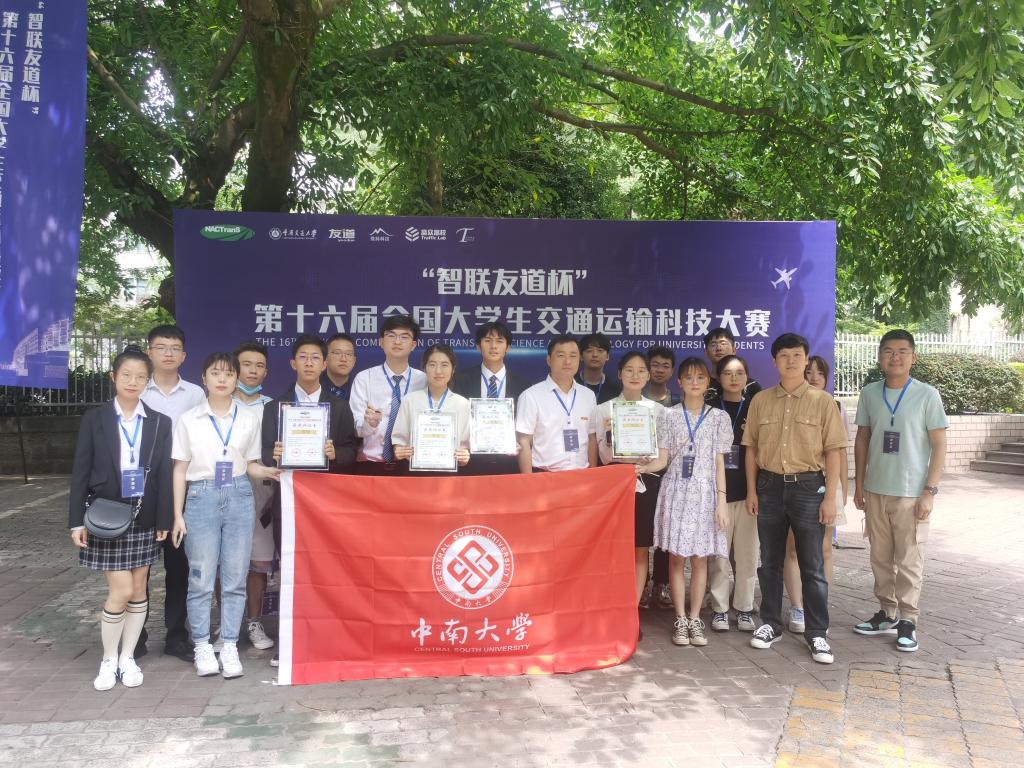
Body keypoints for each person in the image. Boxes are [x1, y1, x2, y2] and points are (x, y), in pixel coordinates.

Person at [171, 352, 281, 679]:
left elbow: (250, 465)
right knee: (201, 578)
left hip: (239, 493)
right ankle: (202, 645)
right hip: (201, 495)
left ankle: (230, 644)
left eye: (228, 374)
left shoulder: (248, 418)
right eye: (215, 373)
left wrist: (271, 472)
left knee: (234, 577)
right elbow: (180, 469)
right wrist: (177, 514)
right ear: (203, 378)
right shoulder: (189, 419)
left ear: (236, 380)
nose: (222, 379)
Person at [69, 346, 173, 691]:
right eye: (126, 375)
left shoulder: (160, 422)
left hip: (144, 514)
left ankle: (128, 657)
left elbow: (162, 473)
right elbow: (80, 470)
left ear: (148, 381)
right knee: (122, 590)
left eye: (141, 376)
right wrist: (76, 520)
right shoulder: (95, 418)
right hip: (106, 515)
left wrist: (164, 518)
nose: (133, 381)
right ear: (113, 377)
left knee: (140, 589)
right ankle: (108, 659)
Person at [742, 333, 847, 665]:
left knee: (812, 564)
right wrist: (752, 490)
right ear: (774, 361)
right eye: (784, 356)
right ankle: (771, 624)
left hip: (808, 488)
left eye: (797, 355)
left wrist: (830, 497)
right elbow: (751, 449)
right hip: (769, 486)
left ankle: (817, 633)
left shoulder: (823, 402)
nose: (791, 361)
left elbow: (834, 452)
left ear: (806, 360)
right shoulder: (761, 401)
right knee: (769, 561)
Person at [853, 329, 947, 652]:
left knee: (909, 558)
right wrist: (859, 485)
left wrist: (929, 491)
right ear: (880, 357)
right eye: (889, 351)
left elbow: (939, 444)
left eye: (902, 351)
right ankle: (887, 612)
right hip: (876, 489)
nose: (895, 357)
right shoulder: (869, 393)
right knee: (880, 557)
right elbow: (862, 438)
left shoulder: (927, 395)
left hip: (911, 492)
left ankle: (908, 619)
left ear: (913, 357)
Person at [642, 357, 732, 647]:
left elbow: (719, 463)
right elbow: (663, 459)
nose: (695, 382)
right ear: (679, 382)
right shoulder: (668, 416)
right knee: (677, 558)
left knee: (700, 558)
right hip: (676, 492)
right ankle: (680, 618)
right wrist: (639, 468)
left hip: (706, 494)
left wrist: (722, 502)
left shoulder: (718, 418)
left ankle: (695, 618)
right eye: (689, 377)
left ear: (708, 382)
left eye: (700, 377)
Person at [140, 324, 204, 662]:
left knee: (179, 566)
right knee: (139, 565)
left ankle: (177, 635)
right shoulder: (137, 389)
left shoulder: (196, 394)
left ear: (184, 355)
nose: (168, 353)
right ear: (149, 352)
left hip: (182, 487)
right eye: (161, 347)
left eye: (174, 347)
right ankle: (135, 635)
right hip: (143, 489)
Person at [587, 352, 663, 629]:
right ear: (619, 374)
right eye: (629, 370)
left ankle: (631, 611)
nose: (635, 375)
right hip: (611, 481)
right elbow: (594, 452)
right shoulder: (603, 410)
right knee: (612, 548)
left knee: (640, 548)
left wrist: (644, 466)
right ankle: (611, 607)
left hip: (645, 479)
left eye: (641, 370)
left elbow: (663, 454)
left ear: (648, 376)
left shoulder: (659, 411)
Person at [782, 355, 849, 633]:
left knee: (824, 550)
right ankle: (798, 607)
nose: (814, 377)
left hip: (828, 487)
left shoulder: (835, 406)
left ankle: (819, 606)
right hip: (797, 486)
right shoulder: (788, 403)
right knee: (793, 549)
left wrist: (841, 491)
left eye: (820, 373)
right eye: (809, 372)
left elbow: (840, 453)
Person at [707, 355, 759, 633]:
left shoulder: (755, 407)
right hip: (717, 495)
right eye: (727, 373)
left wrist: (754, 492)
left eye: (740, 372)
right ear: (718, 377)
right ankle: (719, 608)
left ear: (747, 376)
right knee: (719, 556)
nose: (734, 378)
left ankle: (745, 608)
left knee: (748, 555)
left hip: (748, 493)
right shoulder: (710, 409)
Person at [232, 341, 276, 651]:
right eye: (246, 364)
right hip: (228, 488)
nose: (253, 370)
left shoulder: (273, 407)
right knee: (226, 561)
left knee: (258, 562)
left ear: (266, 372)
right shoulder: (220, 403)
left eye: (259, 366)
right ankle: (227, 624)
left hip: (263, 491)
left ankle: (254, 621)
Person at [348, 315, 427, 474]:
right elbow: (355, 430)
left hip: (411, 466)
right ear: (381, 342)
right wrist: (369, 424)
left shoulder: (424, 380)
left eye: (404, 337)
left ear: (413, 345)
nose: (397, 342)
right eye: (391, 335)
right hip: (370, 466)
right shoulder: (365, 378)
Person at [451, 321, 531, 475]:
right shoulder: (460, 380)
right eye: (487, 341)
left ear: (508, 347)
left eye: (499, 341)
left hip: (510, 463)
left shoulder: (523, 385)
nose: (493, 346)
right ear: (478, 346)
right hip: (470, 463)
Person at [516, 336, 597, 473]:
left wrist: (593, 474)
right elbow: (523, 441)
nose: (567, 361)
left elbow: (591, 437)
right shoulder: (531, 396)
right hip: (545, 476)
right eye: (561, 355)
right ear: (549, 360)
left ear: (579, 359)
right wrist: (528, 480)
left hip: (582, 475)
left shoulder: (588, 395)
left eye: (573, 356)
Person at [391, 343, 471, 473]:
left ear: (453, 369)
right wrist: (399, 450)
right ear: (424, 368)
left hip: (450, 477)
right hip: (415, 474)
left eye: (444, 365)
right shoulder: (410, 400)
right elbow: (399, 441)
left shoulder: (462, 404)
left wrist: (465, 456)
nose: (438, 371)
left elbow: (465, 447)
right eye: (432, 365)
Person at [642, 345, 678, 609]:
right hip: (643, 475)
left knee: (666, 532)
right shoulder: (636, 401)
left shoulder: (678, 403)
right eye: (655, 365)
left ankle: (662, 583)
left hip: (671, 476)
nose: (659, 370)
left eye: (665, 366)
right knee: (642, 534)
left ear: (672, 371)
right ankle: (642, 584)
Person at [703, 328, 761, 404]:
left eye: (723, 344)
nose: (719, 348)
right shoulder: (701, 385)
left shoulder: (751, 386)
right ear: (706, 352)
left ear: (734, 350)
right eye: (713, 345)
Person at [576, 333, 623, 404]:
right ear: (581, 356)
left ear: (607, 356)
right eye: (589, 351)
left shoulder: (616, 389)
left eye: (600, 351)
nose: (595, 355)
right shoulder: (571, 384)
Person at [320, 333, 357, 401]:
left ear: (354, 361)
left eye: (348, 354)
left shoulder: (359, 389)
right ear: (325, 358)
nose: (343, 359)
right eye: (337, 353)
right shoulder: (313, 387)